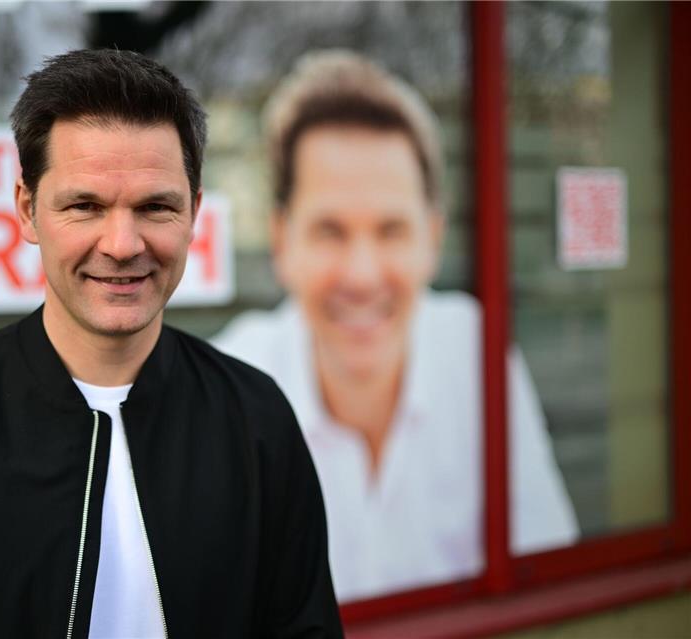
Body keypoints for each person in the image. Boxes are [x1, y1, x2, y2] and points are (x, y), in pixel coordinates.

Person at [0, 49, 342, 638]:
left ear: (194, 214)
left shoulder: (255, 416)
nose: (121, 243)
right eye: (85, 206)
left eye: (155, 206)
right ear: (28, 211)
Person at [213, 50, 579, 603]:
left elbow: (548, 577)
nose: (362, 276)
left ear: (432, 238)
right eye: (330, 230)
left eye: (391, 230)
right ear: (281, 240)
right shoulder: (225, 393)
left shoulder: (475, 352)